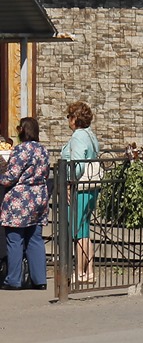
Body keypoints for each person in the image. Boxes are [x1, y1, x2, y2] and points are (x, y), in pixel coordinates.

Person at [1, 117, 51, 290]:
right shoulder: (43, 150)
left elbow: (10, 177)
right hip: (39, 196)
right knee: (35, 238)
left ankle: (13, 280)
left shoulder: (21, 150)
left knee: (15, 239)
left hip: (20, 199)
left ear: (22, 130)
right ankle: (40, 280)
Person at [63, 101, 102, 284]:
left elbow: (77, 164)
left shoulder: (79, 135)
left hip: (81, 186)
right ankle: (89, 272)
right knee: (84, 229)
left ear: (75, 119)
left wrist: (70, 183)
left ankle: (79, 272)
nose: (68, 120)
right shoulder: (91, 135)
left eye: (69, 117)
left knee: (78, 231)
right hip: (92, 185)